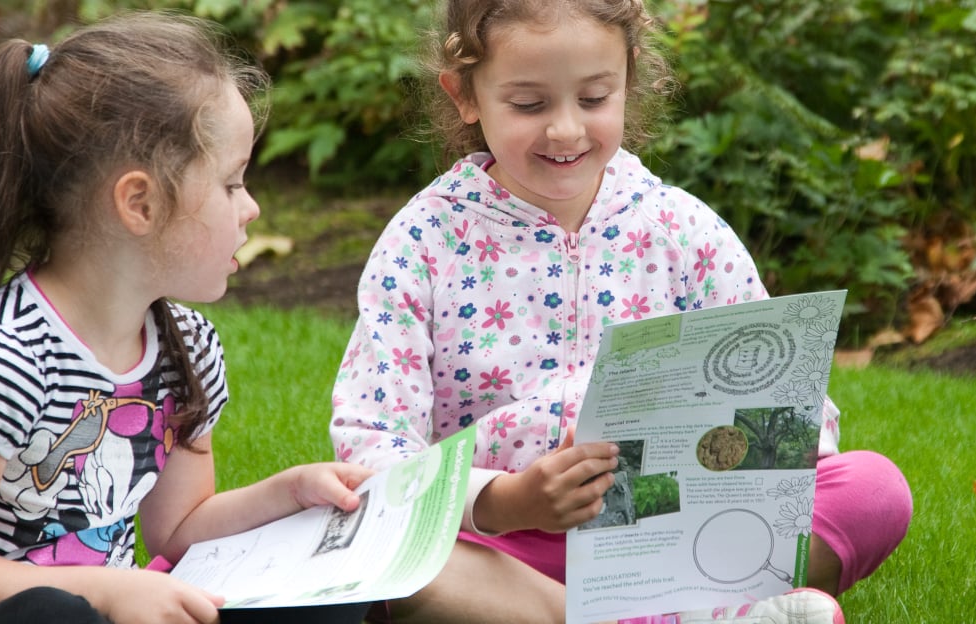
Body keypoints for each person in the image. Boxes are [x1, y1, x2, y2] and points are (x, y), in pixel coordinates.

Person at [327, 1, 913, 622]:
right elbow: (370, 445)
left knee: (874, 490)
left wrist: (717, 454)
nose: (565, 131)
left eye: (594, 98)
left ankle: (663, 605)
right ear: (465, 94)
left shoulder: (683, 230)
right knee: (407, 570)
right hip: (507, 546)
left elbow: (788, 397)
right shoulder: (425, 240)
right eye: (529, 104)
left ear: (628, 80)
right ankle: (701, 612)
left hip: (674, 528)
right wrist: (504, 500)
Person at [0, 13, 374, 624]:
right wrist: (110, 591)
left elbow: (180, 529)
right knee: (52, 614)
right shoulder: (2, 360)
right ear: (139, 203)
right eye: (231, 184)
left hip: (114, 609)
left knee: (323, 600)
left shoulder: (187, 348)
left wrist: (290, 494)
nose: (250, 208)